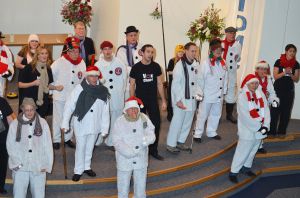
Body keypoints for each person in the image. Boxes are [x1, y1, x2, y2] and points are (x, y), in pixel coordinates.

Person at [61, 65, 110, 182]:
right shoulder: (79, 89)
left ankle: (87, 167)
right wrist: (65, 123)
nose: (93, 78)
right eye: (91, 76)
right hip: (81, 123)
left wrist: (105, 128)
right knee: (81, 147)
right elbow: (69, 106)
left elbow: (105, 111)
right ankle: (78, 170)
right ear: (87, 76)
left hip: (95, 124)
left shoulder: (103, 91)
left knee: (90, 147)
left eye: (95, 76)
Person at [6, 98, 53, 197]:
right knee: (19, 194)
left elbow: (47, 145)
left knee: (39, 194)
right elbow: (10, 145)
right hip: (20, 166)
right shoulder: (15, 124)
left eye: (31, 109)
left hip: (38, 165)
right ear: (22, 109)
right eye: (27, 110)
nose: (29, 112)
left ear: (35, 109)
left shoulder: (43, 123)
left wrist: (46, 164)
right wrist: (17, 164)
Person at [229, 74, 270, 183]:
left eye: (256, 83)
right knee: (242, 151)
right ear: (247, 84)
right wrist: (258, 127)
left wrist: (266, 125)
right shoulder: (242, 96)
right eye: (252, 83)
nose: (255, 85)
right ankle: (234, 172)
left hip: (260, 129)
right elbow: (245, 116)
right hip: (248, 129)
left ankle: (246, 168)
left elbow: (266, 110)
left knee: (253, 150)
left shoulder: (260, 94)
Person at [112, 96, 155, 198]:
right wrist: (128, 152)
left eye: (136, 109)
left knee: (140, 184)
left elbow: (151, 133)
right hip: (124, 159)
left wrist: (145, 141)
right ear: (126, 110)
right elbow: (116, 141)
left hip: (141, 157)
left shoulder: (144, 118)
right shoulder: (119, 121)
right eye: (131, 109)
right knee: (123, 185)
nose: (134, 111)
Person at [129, 44, 167, 160]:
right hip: (140, 101)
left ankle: (153, 150)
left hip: (153, 101)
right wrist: (132, 102)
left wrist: (164, 101)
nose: (150, 54)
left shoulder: (156, 67)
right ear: (142, 53)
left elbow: (160, 84)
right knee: (140, 125)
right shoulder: (136, 68)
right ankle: (140, 148)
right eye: (148, 52)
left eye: (152, 52)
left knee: (156, 124)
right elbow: (132, 85)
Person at [166, 42, 202, 153]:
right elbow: (176, 84)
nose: (194, 53)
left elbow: (199, 81)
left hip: (192, 99)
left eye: (195, 51)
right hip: (181, 99)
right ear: (186, 51)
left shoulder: (196, 64)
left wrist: (199, 94)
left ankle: (180, 141)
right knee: (177, 121)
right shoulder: (179, 65)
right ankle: (171, 144)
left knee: (188, 122)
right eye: (192, 51)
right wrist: (178, 100)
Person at [51, 37, 86, 150]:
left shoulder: (81, 63)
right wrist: (52, 90)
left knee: (71, 118)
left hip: (74, 97)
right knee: (58, 118)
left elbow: (83, 79)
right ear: (68, 51)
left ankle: (67, 138)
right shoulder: (59, 62)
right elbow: (50, 76)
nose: (75, 53)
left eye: (77, 51)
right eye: (72, 51)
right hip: (60, 95)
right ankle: (56, 139)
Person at [193, 39, 228, 142]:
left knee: (216, 114)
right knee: (202, 114)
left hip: (219, 94)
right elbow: (200, 79)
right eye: (216, 49)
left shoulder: (223, 62)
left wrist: (224, 91)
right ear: (211, 50)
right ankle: (197, 134)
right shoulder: (205, 63)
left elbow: (225, 78)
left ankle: (211, 131)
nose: (219, 51)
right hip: (207, 94)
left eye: (220, 49)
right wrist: (199, 93)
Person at [95, 41, 127, 147]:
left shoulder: (119, 62)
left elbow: (124, 78)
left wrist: (121, 92)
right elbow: (95, 82)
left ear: (112, 50)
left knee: (116, 118)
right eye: (105, 49)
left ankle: (111, 141)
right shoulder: (98, 65)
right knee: (101, 118)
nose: (107, 51)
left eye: (109, 49)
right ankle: (98, 138)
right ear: (102, 51)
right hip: (104, 96)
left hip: (117, 96)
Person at [270, 44, 299, 137]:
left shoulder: (296, 64)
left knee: (286, 112)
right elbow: (275, 76)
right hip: (277, 90)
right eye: (290, 51)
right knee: (274, 111)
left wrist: (290, 74)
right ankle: (271, 132)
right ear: (286, 51)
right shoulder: (278, 62)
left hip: (289, 91)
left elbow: (296, 79)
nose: (292, 53)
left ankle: (281, 132)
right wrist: (284, 72)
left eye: (294, 51)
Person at [18, 46, 55, 117]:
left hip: (43, 101)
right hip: (30, 101)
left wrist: (56, 88)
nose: (44, 55)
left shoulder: (48, 68)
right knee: (29, 124)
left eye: (46, 53)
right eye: (42, 53)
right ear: (37, 56)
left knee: (40, 122)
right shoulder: (29, 67)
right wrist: (33, 83)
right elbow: (20, 84)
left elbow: (47, 86)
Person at [255, 60, 279, 153]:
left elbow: (272, 93)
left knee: (263, 126)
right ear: (257, 69)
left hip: (264, 106)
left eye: (265, 69)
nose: (263, 71)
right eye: (261, 69)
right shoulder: (252, 79)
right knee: (255, 126)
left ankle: (260, 145)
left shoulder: (268, 80)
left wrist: (273, 100)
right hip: (254, 106)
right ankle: (253, 144)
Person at [222, 27, 242, 124]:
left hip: (231, 72)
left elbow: (238, 59)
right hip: (221, 72)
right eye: (230, 33)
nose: (232, 35)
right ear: (226, 33)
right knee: (219, 92)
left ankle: (229, 114)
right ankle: (215, 115)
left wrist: (237, 58)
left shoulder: (237, 45)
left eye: (233, 33)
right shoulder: (220, 43)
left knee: (231, 93)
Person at [116, 26, 143, 99]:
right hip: (127, 81)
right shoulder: (121, 50)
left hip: (141, 82)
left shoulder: (142, 48)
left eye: (135, 35)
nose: (133, 37)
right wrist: (135, 71)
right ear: (126, 37)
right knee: (129, 103)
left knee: (140, 104)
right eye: (131, 35)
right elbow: (121, 66)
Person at [0, 97, 15, 195]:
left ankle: (0, 186)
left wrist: (15, 136)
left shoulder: (2, 101)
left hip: (3, 139)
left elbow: (10, 119)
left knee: (2, 163)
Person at [166, 44, 185, 121]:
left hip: (182, 84)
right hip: (172, 83)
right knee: (171, 100)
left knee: (181, 99)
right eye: (179, 52)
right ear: (176, 52)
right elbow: (169, 72)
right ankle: (170, 115)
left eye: (182, 52)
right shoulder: (172, 61)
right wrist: (177, 72)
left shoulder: (185, 61)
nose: (180, 53)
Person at [0, 31, 14, 97]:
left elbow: (10, 64)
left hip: (1, 80)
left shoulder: (6, 50)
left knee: (1, 95)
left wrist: (9, 72)